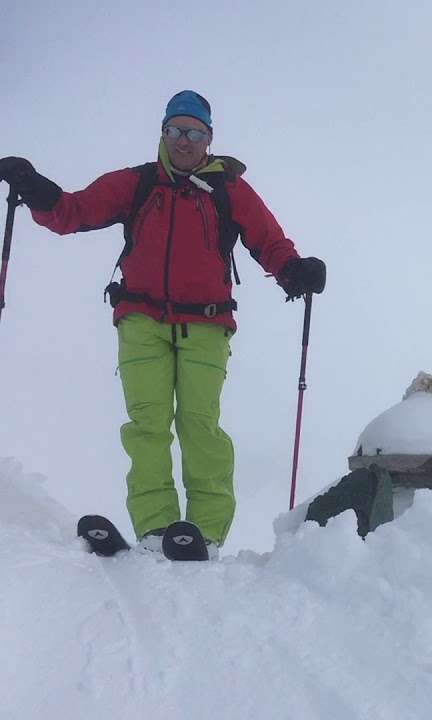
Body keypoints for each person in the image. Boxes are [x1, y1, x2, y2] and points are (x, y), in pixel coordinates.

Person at [0, 90, 327, 556]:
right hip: (141, 319)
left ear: (208, 138)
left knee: (200, 423)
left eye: (193, 132)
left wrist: (295, 271)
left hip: (207, 324)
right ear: (163, 133)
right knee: (147, 423)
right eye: (174, 130)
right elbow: (72, 212)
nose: (183, 140)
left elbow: (269, 241)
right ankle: (156, 529)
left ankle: (206, 534)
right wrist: (33, 186)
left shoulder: (230, 190)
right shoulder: (137, 183)